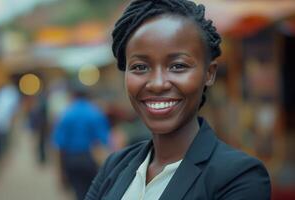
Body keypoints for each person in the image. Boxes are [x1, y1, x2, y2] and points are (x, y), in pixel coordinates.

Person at [85, 0, 271, 199]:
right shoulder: (115, 166)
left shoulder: (239, 177)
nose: (157, 84)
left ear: (209, 73)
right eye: (140, 67)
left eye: (178, 66)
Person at [50, 80, 110, 200]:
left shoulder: (65, 114)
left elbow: (59, 145)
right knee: (94, 193)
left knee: (79, 192)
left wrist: (60, 172)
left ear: (73, 95)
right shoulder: (95, 112)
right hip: (91, 158)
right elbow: (104, 141)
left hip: (71, 159)